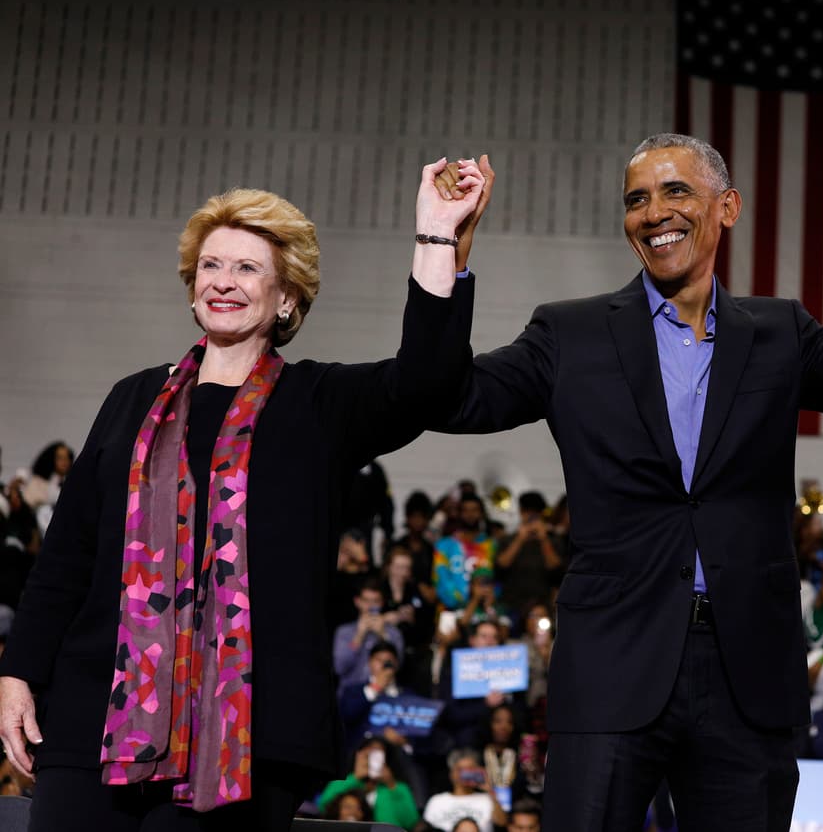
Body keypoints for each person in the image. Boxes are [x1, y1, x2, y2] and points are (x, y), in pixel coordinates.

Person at [427, 131, 823, 830]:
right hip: (613, 661)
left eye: (675, 191)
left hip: (747, 672)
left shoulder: (781, 333)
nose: (654, 213)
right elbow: (447, 399)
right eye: (637, 199)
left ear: (727, 207)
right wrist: (446, 251)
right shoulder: (568, 334)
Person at [0, 160, 486, 830]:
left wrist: (437, 234)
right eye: (210, 265)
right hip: (96, 720)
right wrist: (18, 674)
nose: (222, 281)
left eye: (247, 268)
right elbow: (66, 555)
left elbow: (427, 382)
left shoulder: (319, 404)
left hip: (247, 737)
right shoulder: (131, 398)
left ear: (286, 298)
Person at [316, 736, 419, 831]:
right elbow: (324, 806)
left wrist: (391, 785)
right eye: (368, 755)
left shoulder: (397, 787)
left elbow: (411, 822)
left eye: (378, 755)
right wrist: (356, 777)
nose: (373, 760)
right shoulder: (346, 781)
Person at [421, 748, 507, 832]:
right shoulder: (437, 801)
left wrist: (490, 790)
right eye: (460, 770)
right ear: (452, 774)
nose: (466, 774)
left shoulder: (487, 799)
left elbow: (502, 823)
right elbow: (425, 828)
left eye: (470, 769)